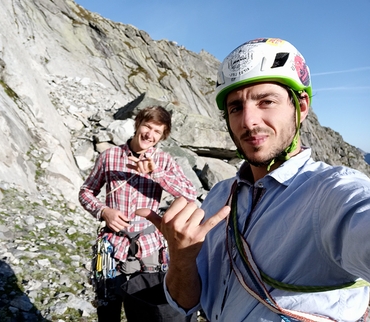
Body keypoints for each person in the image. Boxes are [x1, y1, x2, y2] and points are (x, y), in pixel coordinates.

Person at [136, 38, 370, 321]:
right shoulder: (220, 196)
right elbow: (186, 303)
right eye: (235, 107)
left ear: (302, 106)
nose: (248, 121)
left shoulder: (332, 193)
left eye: (266, 101)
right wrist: (182, 260)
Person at [78, 105, 197, 322]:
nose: (150, 135)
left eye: (157, 132)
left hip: (149, 249)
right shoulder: (109, 157)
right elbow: (86, 192)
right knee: (108, 311)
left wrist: (156, 174)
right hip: (112, 250)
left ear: (163, 136)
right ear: (138, 124)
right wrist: (104, 211)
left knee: (148, 313)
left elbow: (190, 194)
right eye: (147, 126)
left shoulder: (164, 162)